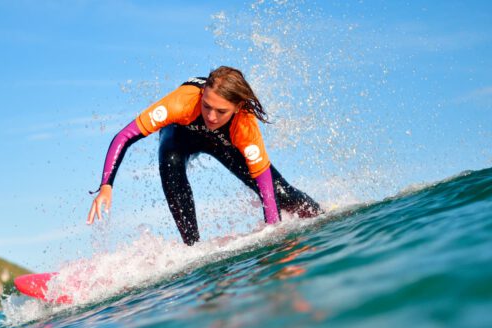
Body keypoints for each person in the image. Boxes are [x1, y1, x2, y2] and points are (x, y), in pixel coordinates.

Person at [87, 66, 322, 245]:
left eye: (221, 111)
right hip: (180, 137)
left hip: (224, 144)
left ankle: (321, 217)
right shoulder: (182, 102)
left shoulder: (245, 124)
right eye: (207, 106)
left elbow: (266, 190)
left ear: (238, 107)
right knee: (170, 164)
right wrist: (106, 184)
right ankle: (193, 247)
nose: (211, 116)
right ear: (202, 96)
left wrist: (274, 235)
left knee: (281, 192)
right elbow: (124, 136)